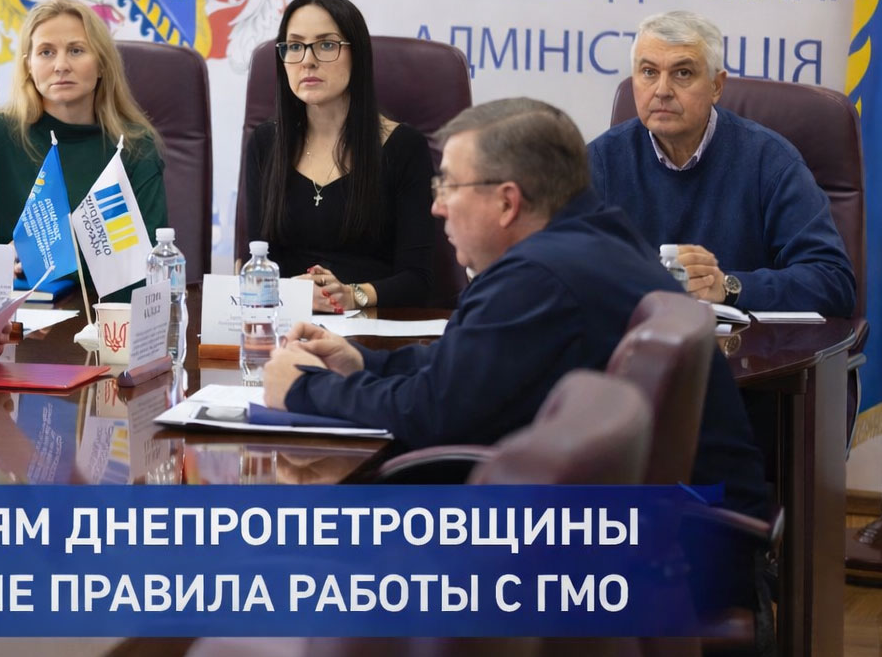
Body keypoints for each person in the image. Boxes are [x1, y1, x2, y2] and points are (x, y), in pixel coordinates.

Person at [262, 98, 769, 518]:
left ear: (507, 202)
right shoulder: (591, 239)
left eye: (448, 186)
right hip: (680, 529)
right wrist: (360, 362)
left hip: (667, 551)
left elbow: (437, 416)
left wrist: (304, 389)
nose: (436, 206)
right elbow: (468, 373)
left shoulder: (540, 278)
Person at [587, 10, 855, 315]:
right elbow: (561, 271)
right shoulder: (599, 162)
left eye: (683, 73)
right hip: (632, 340)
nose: (661, 90)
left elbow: (833, 282)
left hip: (747, 345)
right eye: (648, 72)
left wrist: (728, 287)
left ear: (716, 86)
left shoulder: (771, 162)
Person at [0, 0, 168, 299]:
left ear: (102, 64)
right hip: (20, 315)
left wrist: (47, 258)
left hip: (110, 316)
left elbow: (150, 265)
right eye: (46, 52)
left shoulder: (135, 145)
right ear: (28, 66)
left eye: (76, 50)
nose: (61, 65)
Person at [243, 0, 434, 310]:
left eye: (327, 45)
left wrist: (353, 294)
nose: (308, 60)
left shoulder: (404, 147)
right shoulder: (265, 143)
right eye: (295, 46)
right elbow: (256, 260)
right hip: (285, 322)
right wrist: (293, 294)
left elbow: (418, 279)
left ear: (357, 55)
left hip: (373, 325)